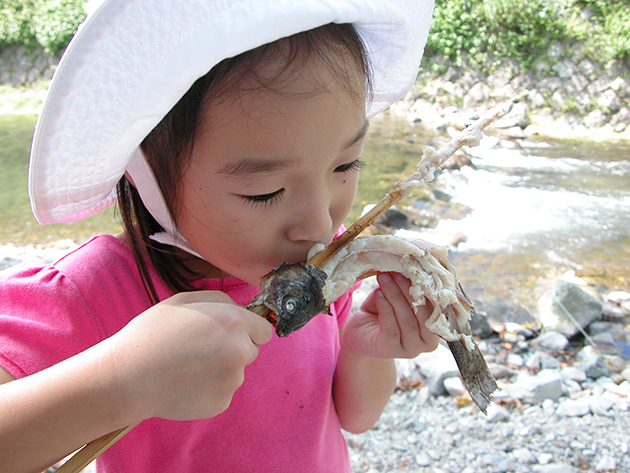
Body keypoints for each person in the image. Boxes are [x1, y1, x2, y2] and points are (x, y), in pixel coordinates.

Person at [0, 0, 437, 471]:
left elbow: (356, 416)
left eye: (345, 165)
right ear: (148, 176)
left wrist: (365, 346)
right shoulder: (91, 293)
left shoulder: (329, 262)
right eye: (265, 192)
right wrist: (121, 380)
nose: (318, 224)